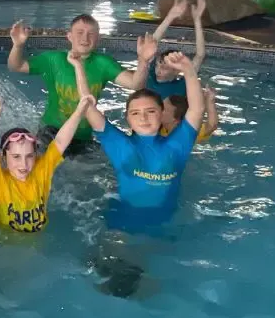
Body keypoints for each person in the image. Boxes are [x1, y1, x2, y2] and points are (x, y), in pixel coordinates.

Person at [84, 52, 202, 230]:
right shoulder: (119, 144)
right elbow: (87, 105)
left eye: (151, 111)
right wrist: (78, 67)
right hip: (123, 226)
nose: (143, 118)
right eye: (135, 113)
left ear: (162, 114)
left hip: (166, 226)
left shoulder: (177, 146)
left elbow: (196, 110)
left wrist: (188, 70)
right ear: (127, 119)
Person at [7, 14, 154, 153]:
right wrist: (17, 46)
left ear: (98, 38)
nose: (85, 38)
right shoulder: (53, 60)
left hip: (83, 136)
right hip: (52, 131)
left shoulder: (103, 64)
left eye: (91, 33)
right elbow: (16, 66)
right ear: (69, 36)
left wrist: (143, 61)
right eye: (80, 32)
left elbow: (136, 85)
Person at [0, 78, 91, 234]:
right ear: (4, 157)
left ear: (36, 155)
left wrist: (79, 112)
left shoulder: (41, 170)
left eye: (29, 156)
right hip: (7, 244)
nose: (24, 164)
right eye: (16, 157)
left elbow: (60, 141)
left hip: (38, 241)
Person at [147, 0, 207, 100]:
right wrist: (170, 16)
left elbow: (200, 55)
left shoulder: (183, 84)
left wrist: (197, 20)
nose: (159, 70)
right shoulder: (150, 76)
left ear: (176, 71)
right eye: (158, 65)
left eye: (165, 68)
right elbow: (152, 44)